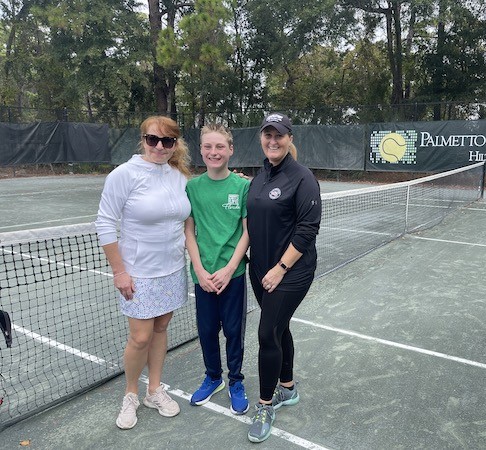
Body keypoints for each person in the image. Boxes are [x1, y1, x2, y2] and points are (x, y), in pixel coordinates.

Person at [95, 116, 191, 430]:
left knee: (161, 328)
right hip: (138, 272)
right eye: (153, 139)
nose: (160, 147)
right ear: (143, 140)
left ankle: (154, 390)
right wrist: (119, 271)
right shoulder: (124, 174)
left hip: (174, 268)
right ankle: (131, 394)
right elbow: (105, 223)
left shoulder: (179, 175)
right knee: (139, 337)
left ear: (175, 144)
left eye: (167, 141)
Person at [246, 113, 322, 443]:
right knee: (279, 327)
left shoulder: (303, 178)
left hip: (290, 273)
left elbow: (308, 229)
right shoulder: (259, 177)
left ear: (290, 138)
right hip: (260, 272)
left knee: (266, 334)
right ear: (262, 138)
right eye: (268, 135)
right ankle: (287, 388)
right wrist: (262, 269)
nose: (273, 141)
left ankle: (265, 404)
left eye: (279, 135)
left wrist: (280, 269)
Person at [184, 123, 250, 415]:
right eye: (208, 147)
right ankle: (213, 378)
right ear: (201, 150)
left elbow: (247, 232)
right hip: (203, 277)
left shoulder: (243, 186)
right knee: (207, 331)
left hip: (232, 276)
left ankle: (235, 381)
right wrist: (199, 269)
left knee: (234, 332)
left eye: (219, 146)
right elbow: (189, 231)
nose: (214, 152)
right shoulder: (192, 187)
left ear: (230, 149)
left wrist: (229, 268)